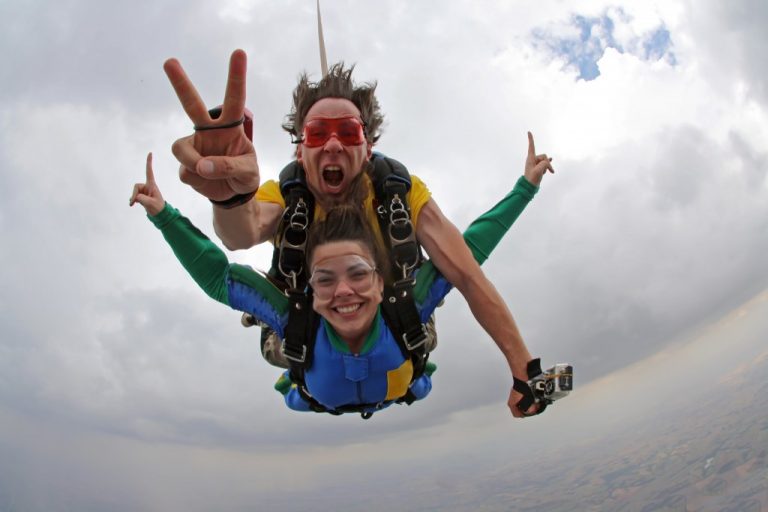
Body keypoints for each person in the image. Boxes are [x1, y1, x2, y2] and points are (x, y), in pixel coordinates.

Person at [162, 50, 555, 417]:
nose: (333, 144)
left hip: (398, 323)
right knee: (284, 335)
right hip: (305, 329)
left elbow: (467, 272)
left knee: (436, 289)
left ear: (368, 148)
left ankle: (404, 371)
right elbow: (241, 233)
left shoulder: (399, 193)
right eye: (317, 133)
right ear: (300, 151)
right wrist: (229, 197)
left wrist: (526, 371)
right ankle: (300, 365)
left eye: (349, 132)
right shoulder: (286, 196)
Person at [131, 148, 544, 416]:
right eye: (325, 280)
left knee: (419, 367)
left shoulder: (406, 307)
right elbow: (220, 276)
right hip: (317, 387)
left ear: (381, 284)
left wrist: (525, 189)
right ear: (310, 292)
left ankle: (407, 371)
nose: (344, 290)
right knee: (290, 367)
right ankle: (297, 363)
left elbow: (469, 253)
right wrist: (163, 214)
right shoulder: (294, 319)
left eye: (358, 274)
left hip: (390, 377)